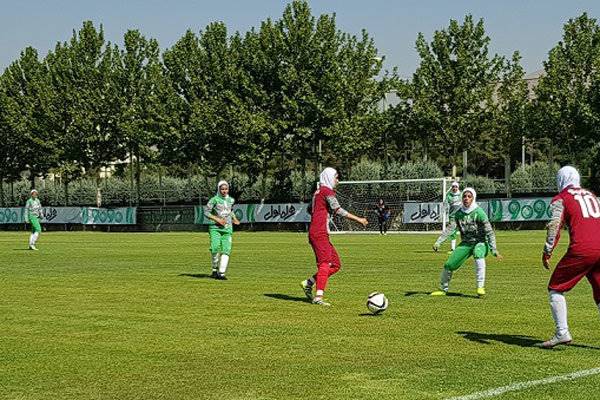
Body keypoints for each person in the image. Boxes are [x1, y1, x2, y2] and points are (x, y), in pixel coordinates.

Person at [539, 166, 600, 348]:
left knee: (555, 288)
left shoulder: (562, 198)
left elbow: (555, 226)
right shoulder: (591, 195)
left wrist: (547, 250)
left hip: (583, 248)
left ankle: (562, 332)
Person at [301, 167, 369, 306]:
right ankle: (318, 297)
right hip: (319, 233)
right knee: (325, 263)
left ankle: (309, 283)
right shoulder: (326, 191)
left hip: (318, 232)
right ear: (329, 177)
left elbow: (309, 209)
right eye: (336, 177)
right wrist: (359, 219)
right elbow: (338, 210)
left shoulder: (318, 192)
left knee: (336, 264)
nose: (337, 181)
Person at [431, 187, 502, 297]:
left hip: (480, 242)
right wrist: (438, 242)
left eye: (469, 196)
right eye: (464, 196)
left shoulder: (479, 212)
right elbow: (450, 229)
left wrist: (494, 249)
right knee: (449, 264)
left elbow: (489, 232)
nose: (466, 198)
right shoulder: (458, 214)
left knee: (478, 253)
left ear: (473, 198)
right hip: (466, 243)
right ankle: (443, 289)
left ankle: (480, 287)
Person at [204, 180, 240, 280]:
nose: (224, 191)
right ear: (219, 189)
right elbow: (206, 212)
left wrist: (234, 218)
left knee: (226, 250)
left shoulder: (231, 200)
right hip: (215, 228)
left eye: (226, 189)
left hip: (227, 228)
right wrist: (217, 219)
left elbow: (230, 210)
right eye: (222, 189)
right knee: (215, 248)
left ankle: (222, 273)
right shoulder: (214, 200)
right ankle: (214, 269)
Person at [445, 181, 462, 252]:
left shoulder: (462, 195)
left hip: (460, 215)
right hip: (452, 216)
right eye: (453, 187)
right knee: (452, 232)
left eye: (456, 187)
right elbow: (448, 202)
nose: (454, 188)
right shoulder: (449, 195)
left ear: (458, 187)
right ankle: (453, 248)